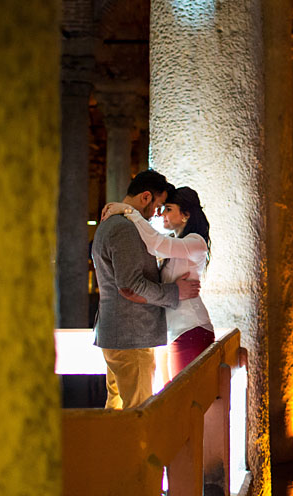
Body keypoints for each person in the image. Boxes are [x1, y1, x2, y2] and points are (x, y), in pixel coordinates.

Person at [91, 170, 200, 409]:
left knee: (118, 412)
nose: (156, 213)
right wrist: (175, 292)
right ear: (146, 197)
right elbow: (131, 286)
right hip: (131, 336)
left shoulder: (113, 223)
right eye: (158, 205)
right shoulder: (124, 229)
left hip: (119, 334)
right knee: (138, 415)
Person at [103, 186, 215, 379]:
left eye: (169, 209)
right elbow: (156, 242)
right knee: (171, 398)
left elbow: (156, 244)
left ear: (185, 214)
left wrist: (129, 212)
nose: (162, 214)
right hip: (174, 331)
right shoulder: (177, 243)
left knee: (183, 399)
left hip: (190, 328)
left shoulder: (196, 242)